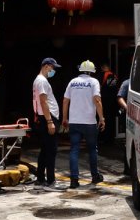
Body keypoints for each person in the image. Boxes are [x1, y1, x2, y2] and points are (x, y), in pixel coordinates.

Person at [61, 60, 106, 188]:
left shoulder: (72, 82)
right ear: (92, 72)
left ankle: (74, 180)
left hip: (74, 121)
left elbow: (65, 101)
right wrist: (101, 118)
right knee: (92, 149)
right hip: (89, 122)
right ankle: (94, 176)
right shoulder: (93, 82)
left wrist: (65, 118)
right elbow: (97, 100)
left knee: (74, 149)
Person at [31, 57, 62, 191]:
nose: (53, 70)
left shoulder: (38, 81)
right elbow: (43, 102)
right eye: (52, 68)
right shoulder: (42, 81)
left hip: (44, 118)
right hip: (48, 118)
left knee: (45, 150)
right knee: (51, 150)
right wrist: (50, 122)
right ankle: (50, 180)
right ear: (46, 66)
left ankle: (40, 178)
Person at [99, 63, 119, 144]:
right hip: (113, 101)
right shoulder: (114, 76)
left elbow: (99, 87)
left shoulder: (103, 75)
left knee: (103, 118)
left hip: (104, 101)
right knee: (111, 119)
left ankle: (103, 138)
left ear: (103, 68)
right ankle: (111, 138)